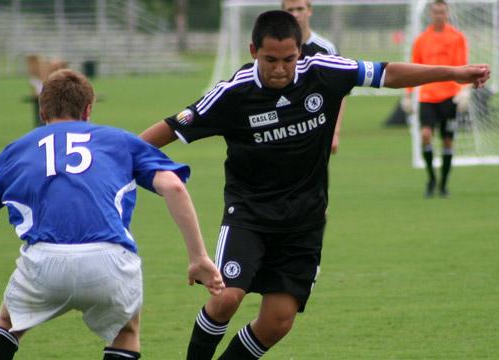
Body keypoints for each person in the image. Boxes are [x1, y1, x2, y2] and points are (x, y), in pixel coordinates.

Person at [139, 10, 489, 359]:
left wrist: (455, 73)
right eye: (270, 59)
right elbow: (172, 127)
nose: (279, 68)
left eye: (288, 59)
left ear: (301, 53)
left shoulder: (324, 72)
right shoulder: (233, 93)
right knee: (227, 298)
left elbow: (388, 72)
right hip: (249, 215)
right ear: (252, 51)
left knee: (278, 321)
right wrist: (113, 155)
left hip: (304, 221)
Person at [0, 69, 225, 360]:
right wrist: (197, 257)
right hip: (109, 259)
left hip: (44, 262)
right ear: (88, 110)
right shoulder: (118, 140)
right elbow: (174, 187)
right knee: (125, 334)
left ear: (42, 112)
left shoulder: (16, 150)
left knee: (7, 323)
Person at [402, 0, 469, 198]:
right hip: (428, 96)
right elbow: (413, 69)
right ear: (431, 14)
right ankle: (431, 178)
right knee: (425, 135)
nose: (439, 15)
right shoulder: (422, 40)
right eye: (436, 12)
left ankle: (443, 184)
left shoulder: (457, 38)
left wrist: (464, 91)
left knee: (447, 141)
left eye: (443, 12)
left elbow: (462, 66)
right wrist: (408, 94)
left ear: (447, 13)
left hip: (450, 97)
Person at [282, 0, 344, 154]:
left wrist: (335, 131)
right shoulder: (276, 49)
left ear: (309, 10)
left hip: (316, 130)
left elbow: (340, 91)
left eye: (299, 9)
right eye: (290, 10)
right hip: (281, 130)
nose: (295, 14)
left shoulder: (325, 49)